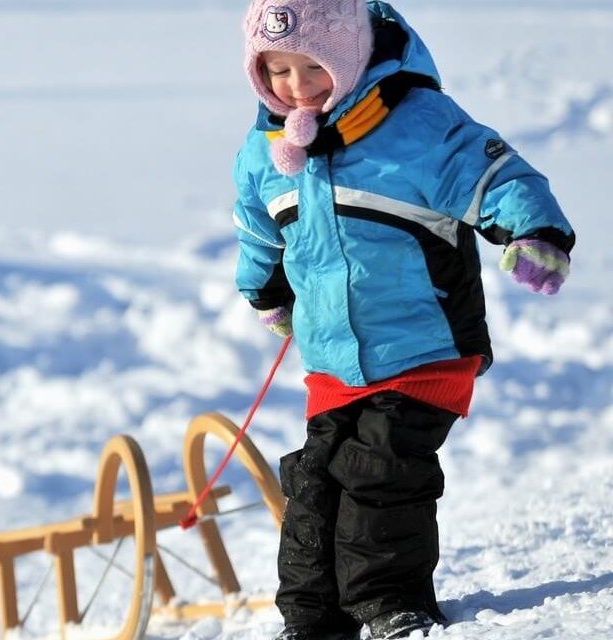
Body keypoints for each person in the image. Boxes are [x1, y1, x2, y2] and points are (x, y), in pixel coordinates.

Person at [230, 1, 576, 639]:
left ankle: (391, 604)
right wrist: (264, 289)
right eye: (278, 70)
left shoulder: (416, 125)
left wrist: (535, 230)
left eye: (314, 65)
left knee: (381, 469)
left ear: (353, 54)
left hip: (426, 345)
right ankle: (313, 619)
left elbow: (495, 173)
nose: (297, 86)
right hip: (334, 360)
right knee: (314, 485)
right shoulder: (267, 150)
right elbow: (259, 229)